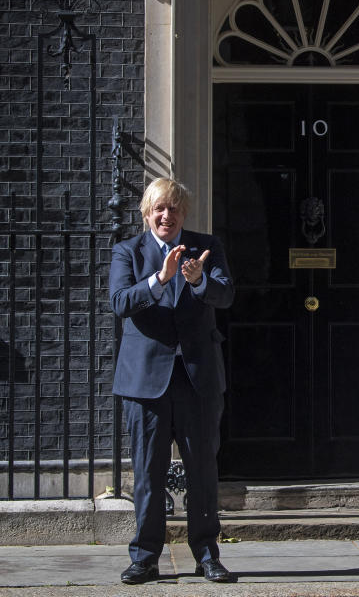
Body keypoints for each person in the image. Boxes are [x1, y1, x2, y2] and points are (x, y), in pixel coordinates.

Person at [110, 177, 234, 584]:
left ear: (184, 213)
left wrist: (198, 279)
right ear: (147, 214)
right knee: (148, 471)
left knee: (202, 471)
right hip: (146, 381)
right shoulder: (128, 251)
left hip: (197, 377)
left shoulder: (206, 247)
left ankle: (206, 555)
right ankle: (145, 557)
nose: (168, 215)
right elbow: (120, 302)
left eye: (175, 208)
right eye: (159, 209)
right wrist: (159, 279)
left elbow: (225, 294)